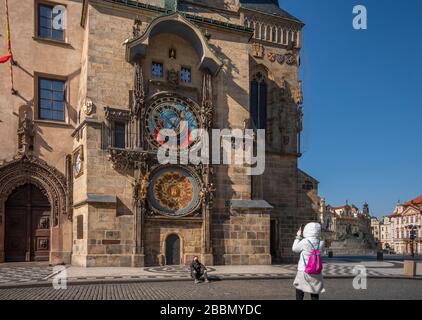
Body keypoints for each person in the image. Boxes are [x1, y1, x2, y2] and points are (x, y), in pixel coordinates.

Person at [292, 222, 325, 300]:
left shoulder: (305, 241)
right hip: (316, 271)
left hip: (304, 270)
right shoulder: (321, 243)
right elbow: (322, 253)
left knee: (300, 289)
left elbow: (295, 249)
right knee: (314, 291)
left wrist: (298, 236)